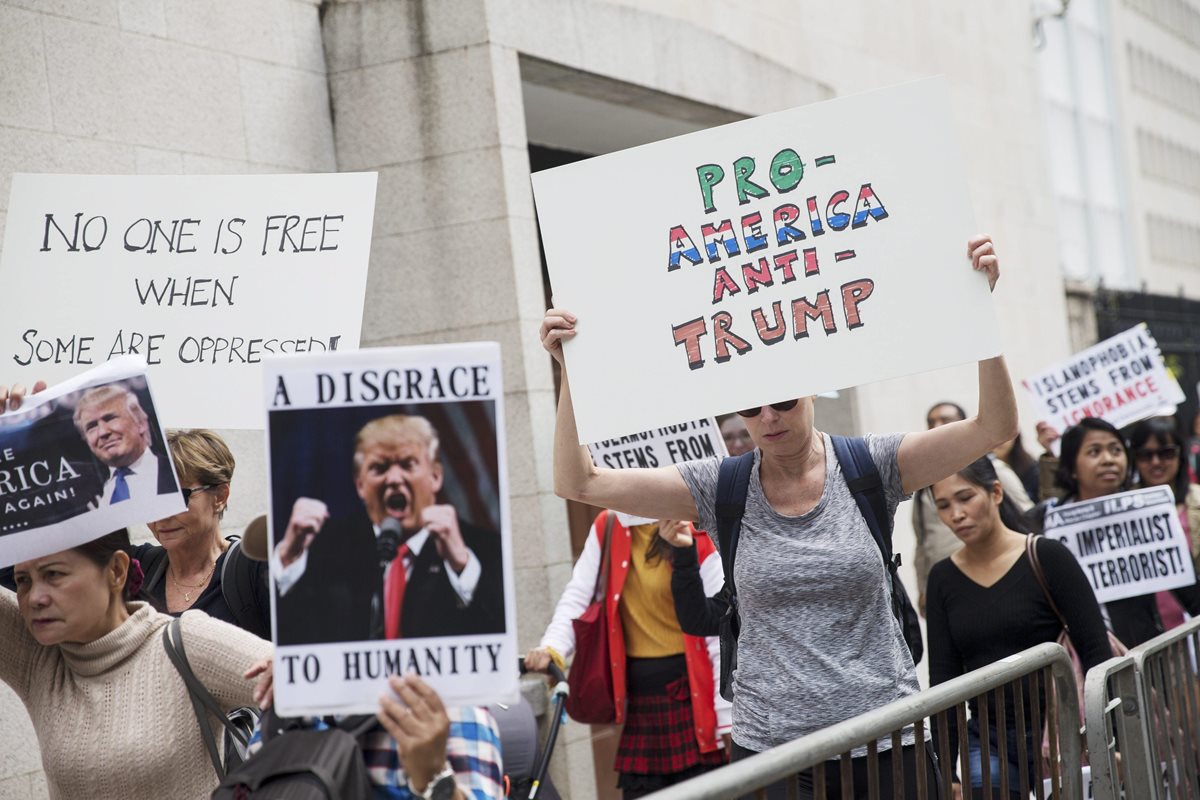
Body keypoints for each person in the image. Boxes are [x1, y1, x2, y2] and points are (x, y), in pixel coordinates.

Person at [541, 235, 1015, 798]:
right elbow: (580, 482)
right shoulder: (719, 487)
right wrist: (572, 371)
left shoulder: (873, 464)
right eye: (750, 406)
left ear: (813, 390)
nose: (767, 418)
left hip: (887, 739)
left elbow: (994, 427)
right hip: (773, 754)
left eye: (785, 399)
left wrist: (981, 307)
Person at [0, 529, 274, 800]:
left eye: (54, 575)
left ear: (117, 570)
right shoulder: (39, 658)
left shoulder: (187, 644)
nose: (35, 597)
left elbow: (306, 678)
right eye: (22, 580)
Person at [926, 458, 1112, 798]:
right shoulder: (942, 578)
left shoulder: (1047, 555)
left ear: (996, 492)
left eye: (965, 497)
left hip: (1061, 732)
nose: (956, 514)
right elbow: (944, 682)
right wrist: (946, 772)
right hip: (987, 737)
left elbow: (1095, 650)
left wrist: (1106, 736)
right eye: (943, 505)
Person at [525, 514, 730, 798]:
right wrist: (552, 649)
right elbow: (577, 596)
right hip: (640, 702)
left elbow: (717, 631)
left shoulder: (695, 524)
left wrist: (726, 719)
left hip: (693, 700)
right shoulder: (609, 524)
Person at [272, 414, 504, 645]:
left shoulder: (482, 547)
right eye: (379, 467)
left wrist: (461, 566)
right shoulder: (321, 549)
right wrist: (288, 558)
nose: (393, 478)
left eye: (407, 464)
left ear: (435, 476)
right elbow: (287, 627)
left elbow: (498, 632)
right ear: (360, 485)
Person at [1026, 418, 1200, 646]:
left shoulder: (1149, 512)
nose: (1108, 460)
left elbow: (1192, 596)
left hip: (1145, 655)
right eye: (1094, 451)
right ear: (1071, 465)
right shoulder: (1044, 522)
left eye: (1116, 450)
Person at [912, 401, 1032, 616]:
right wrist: (923, 587)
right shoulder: (923, 484)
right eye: (931, 422)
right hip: (950, 587)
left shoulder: (994, 470)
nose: (956, 514)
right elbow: (923, 543)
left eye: (945, 420)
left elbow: (1027, 517)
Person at [1130, 416, 1200, 628]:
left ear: (1180, 454)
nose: (1156, 462)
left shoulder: (1197, 501)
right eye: (1145, 455)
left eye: (1166, 453)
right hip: (1147, 635)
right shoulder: (1122, 509)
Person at [73, 382, 177, 504]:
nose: (102, 432)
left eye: (110, 418)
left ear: (140, 423)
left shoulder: (178, 472)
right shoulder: (89, 499)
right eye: (91, 426)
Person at [992, 431, 1040, 503]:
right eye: (992, 435)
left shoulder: (1033, 469)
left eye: (1003, 434)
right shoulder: (987, 475)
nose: (999, 441)